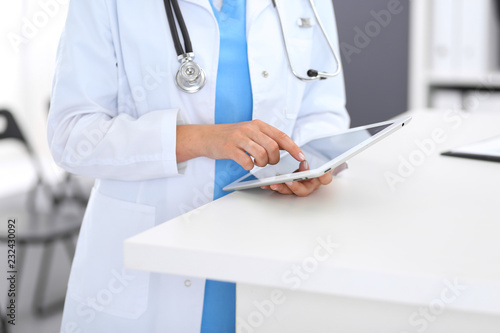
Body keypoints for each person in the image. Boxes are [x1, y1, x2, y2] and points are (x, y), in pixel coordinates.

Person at [47, 0, 349, 332]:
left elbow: (323, 111)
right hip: (152, 261)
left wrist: (306, 163)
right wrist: (200, 139)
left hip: (266, 247)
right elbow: (72, 134)